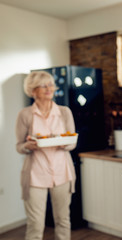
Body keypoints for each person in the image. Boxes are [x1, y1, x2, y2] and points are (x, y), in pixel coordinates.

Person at [15, 71, 76, 240]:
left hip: (62, 173)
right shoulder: (25, 115)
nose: (49, 88)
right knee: (35, 225)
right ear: (33, 90)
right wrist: (28, 145)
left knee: (63, 220)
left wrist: (65, 143)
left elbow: (72, 142)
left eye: (50, 84)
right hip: (36, 175)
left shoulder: (65, 112)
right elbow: (19, 146)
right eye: (43, 85)